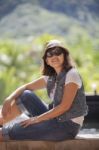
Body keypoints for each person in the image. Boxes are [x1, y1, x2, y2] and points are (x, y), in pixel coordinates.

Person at [0, 40, 88, 141]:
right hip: (55, 120)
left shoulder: (72, 74)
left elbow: (64, 107)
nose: (54, 56)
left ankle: (6, 131)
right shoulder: (51, 77)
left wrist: (35, 120)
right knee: (26, 95)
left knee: (7, 132)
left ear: (64, 55)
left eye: (58, 52)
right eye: (50, 54)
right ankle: (1, 121)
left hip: (66, 127)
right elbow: (25, 87)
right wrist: (9, 99)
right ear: (46, 60)